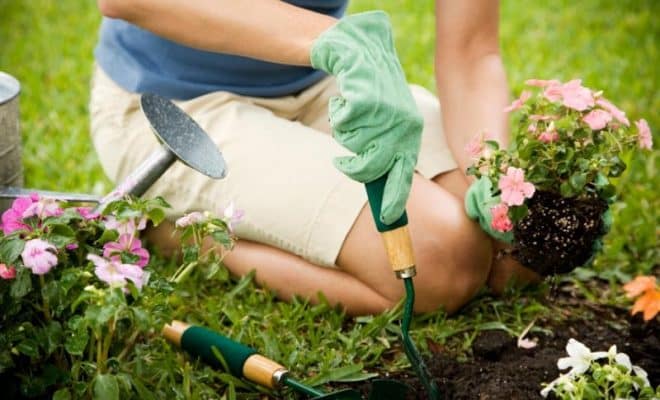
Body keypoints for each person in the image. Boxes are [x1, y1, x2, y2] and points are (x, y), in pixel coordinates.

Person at [91, 0, 540, 316]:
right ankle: (183, 235)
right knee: (440, 265)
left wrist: (491, 172)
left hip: (318, 84)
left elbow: (471, 51)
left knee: (515, 252)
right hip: (177, 110)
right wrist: (333, 40)